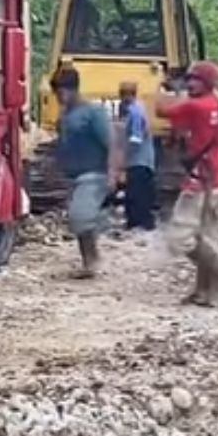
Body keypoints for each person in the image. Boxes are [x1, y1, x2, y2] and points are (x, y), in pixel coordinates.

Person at [156, 61, 218, 306]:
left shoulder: (196, 106)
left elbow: (160, 109)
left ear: (206, 83)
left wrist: (162, 85)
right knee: (207, 235)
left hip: (200, 184)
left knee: (179, 238)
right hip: (215, 179)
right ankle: (204, 291)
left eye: (194, 80)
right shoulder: (217, 103)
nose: (189, 84)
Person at [54, 68, 113, 278]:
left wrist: (115, 172)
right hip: (74, 175)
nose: (59, 98)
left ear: (69, 90)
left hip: (93, 172)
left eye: (60, 92)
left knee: (80, 217)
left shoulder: (93, 113)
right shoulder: (65, 115)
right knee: (79, 221)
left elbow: (111, 143)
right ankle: (89, 261)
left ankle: (93, 260)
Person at [119, 81, 156, 230]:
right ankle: (142, 222)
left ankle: (138, 222)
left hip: (139, 160)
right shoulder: (139, 109)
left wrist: (122, 157)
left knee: (136, 193)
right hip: (143, 159)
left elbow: (136, 138)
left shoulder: (135, 112)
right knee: (141, 192)